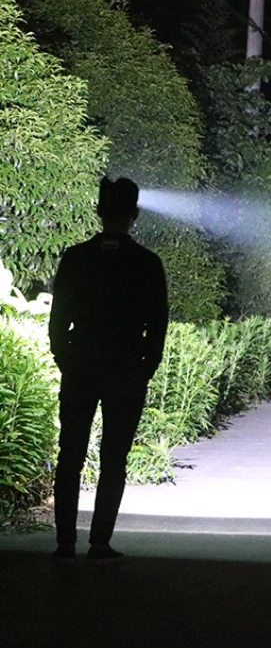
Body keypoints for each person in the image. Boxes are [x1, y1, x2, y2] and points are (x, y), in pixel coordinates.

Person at [48, 177, 168, 564]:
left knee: (71, 453)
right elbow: (158, 324)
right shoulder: (147, 263)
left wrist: (65, 358)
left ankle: (65, 543)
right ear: (134, 215)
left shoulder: (76, 258)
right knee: (114, 457)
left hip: (81, 364)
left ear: (99, 212)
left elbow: (58, 319)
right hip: (127, 368)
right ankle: (100, 543)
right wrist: (145, 366)